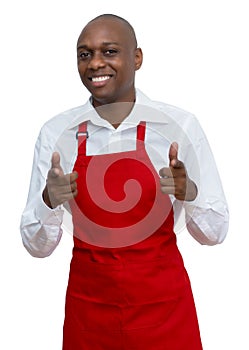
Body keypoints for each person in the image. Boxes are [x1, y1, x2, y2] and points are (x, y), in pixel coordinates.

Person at [20, 14, 229, 350]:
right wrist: (49, 200)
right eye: (85, 54)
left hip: (165, 314)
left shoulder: (178, 126)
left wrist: (189, 193)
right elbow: (36, 247)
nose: (95, 63)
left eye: (110, 51)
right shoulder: (57, 134)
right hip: (90, 315)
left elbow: (215, 233)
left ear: (137, 58)